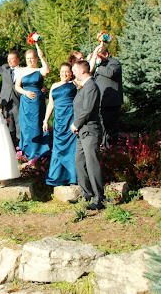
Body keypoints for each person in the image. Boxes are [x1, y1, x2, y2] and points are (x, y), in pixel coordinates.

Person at [70, 60, 104, 210]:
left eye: (75, 70)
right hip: (82, 131)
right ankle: (86, 194)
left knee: (92, 164)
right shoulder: (84, 87)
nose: (73, 73)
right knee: (80, 162)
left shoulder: (91, 86)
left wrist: (76, 124)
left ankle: (98, 199)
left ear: (83, 71)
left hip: (90, 130)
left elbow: (87, 109)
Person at [42, 63, 77, 186]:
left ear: (71, 73)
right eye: (62, 71)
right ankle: (57, 177)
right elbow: (51, 104)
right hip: (59, 122)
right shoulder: (54, 85)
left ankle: (72, 177)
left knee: (71, 149)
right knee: (57, 149)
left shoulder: (75, 84)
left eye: (67, 71)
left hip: (70, 119)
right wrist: (45, 120)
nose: (64, 74)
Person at [14, 48, 51, 159]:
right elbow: (17, 86)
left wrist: (42, 57)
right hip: (26, 102)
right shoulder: (22, 71)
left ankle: (38, 152)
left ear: (35, 59)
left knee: (37, 125)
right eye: (27, 58)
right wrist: (25, 92)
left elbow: (47, 71)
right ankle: (26, 152)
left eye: (31, 58)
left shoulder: (39, 70)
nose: (29, 61)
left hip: (37, 103)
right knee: (25, 126)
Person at [89, 45, 123, 148]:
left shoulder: (114, 63)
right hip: (99, 102)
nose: (98, 58)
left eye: (100, 56)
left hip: (110, 103)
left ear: (106, 54)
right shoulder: (99, 66)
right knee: (101, 128)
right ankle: (102, 147)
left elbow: (110, 73)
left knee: (110, 129)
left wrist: (98, 67)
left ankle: (111, 150)